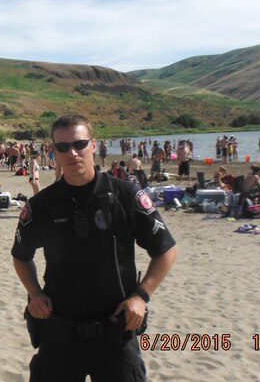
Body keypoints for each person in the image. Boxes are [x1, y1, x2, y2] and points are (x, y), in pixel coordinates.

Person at [11, 114, 178, 381]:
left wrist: (141, 296)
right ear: (53, 151)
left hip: (117, 330)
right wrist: (34, 293)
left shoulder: (125, 195)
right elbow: (21, 256)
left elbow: (166, 250)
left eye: (79, 144)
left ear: (93, 146)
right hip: (60, 332)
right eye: (63, 147)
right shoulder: (42, 205)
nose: (72, 152)